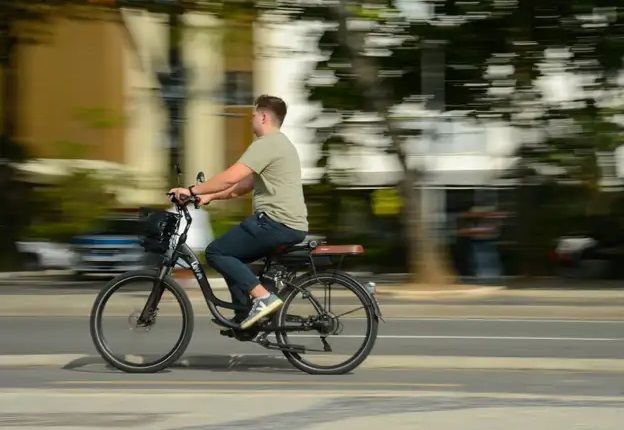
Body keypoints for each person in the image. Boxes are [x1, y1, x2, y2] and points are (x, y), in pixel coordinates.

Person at [169, 95, 308, 330]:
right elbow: (241, 186)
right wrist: (208, 196)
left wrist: (191, 190)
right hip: (287, 224)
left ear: (263, 116)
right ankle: (246, 317)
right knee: (235, 258)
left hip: (275, 223)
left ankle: (263, 298)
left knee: (216, 252)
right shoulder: (281, 144)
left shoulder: (267, 144)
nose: (251, 120)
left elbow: (231, 177)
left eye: (253, 115)